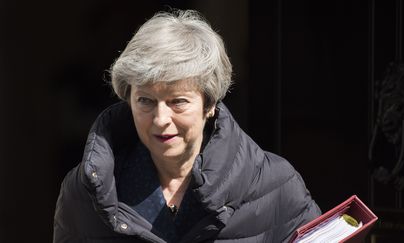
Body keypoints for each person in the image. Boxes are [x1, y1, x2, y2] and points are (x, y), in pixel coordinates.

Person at [53, 9, 321, 243]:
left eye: (177, 102)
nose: (160, 119)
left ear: (210, 104)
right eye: (145, 100)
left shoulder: (275, 186)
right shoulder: (87, 192)